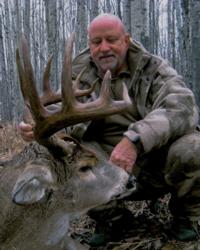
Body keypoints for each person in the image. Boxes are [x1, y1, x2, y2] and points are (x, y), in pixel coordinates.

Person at [18, 13, 200, 245]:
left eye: (111, 40)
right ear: (90, 44)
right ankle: (114, 220)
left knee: (194, 148)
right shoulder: (80, 74)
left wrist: (135, 140)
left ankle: (186, 218)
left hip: (156, 163)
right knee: (62, 158)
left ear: (126, 40)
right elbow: (64, 117)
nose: (104, 48)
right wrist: (38, 127)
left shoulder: (152, 68)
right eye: (96, 42)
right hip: (104, 167)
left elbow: (183, 106)